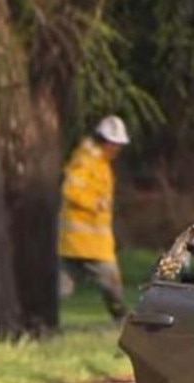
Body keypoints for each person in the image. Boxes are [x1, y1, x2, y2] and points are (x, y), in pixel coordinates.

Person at [58, 115, 130, 321]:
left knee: (62, 287)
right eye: (115, 144)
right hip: (85, 242)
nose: (117, 149)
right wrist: (95, 204)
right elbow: (70, 190)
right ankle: (121, 319)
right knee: (110, 282)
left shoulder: (100, 163)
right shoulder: (86, 161)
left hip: (85, 242)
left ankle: (39, 318)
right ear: (104, 141)